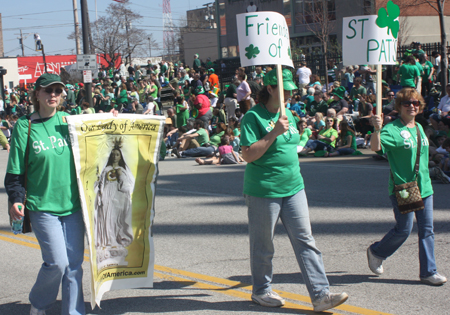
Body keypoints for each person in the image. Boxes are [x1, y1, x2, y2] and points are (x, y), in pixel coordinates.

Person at [240, 68, 348, 312]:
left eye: (291, 89)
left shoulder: (287, 112)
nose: (290, 93)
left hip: (294, 187)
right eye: (285, 89)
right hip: (263, 190)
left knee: (305, 240)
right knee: (263, 244)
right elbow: (247, 154)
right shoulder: (253, 117)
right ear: (270, 89)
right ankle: (261, 290)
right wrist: (274, 132)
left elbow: (291, 144)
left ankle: (321, 295)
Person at [5, 73, 86, 315]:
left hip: (73, 206)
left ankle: (73, 312)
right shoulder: (24, 125)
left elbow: (100, 137)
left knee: (74, 266)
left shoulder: (69, 121)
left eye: (58, 91)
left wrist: (112, 119)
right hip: (42, 206)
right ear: (37, 94)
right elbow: (15, 171)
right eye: (48, 90)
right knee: (57, 263)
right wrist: (16, 199)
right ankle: (39, 303)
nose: (53, 95)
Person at [367, 87, 447, 286]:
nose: (412, 106)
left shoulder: (419, 127)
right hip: (405, 187)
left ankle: (429, 272)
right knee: (404, 230)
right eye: (407, 103)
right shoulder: (392, 129)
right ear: (399, 106)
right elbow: (376, 148)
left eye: (416, 103)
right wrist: (377, 129)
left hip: (424, 187)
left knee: (427, 230)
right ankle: (376, 251)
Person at [94, 137, 134, 267]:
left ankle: (117, 241)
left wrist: (121, 175)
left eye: (117, 154)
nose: (115, 156)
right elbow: (100, 185)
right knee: (107, 221)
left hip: (120, 199)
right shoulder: (105, 170)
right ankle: (109, 242)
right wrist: (99, 195)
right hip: (107, 198)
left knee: (118, 221)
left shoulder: (124, 171)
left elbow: (127, 187)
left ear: (121, 156)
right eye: (112, 154)